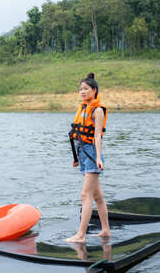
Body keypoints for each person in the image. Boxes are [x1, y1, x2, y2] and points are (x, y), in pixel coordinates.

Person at [65, 72, 111, 243]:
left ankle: (81, 235)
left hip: (92, 154)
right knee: (98, 197)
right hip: (83, 153)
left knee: (85, 195)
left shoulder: (97, 110)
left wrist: (98, 158)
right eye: (80, 89)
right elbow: (77, 135)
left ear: (94, 90)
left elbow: (97, 136)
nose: (82, 92)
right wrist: (76, 158)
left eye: (86, 89)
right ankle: (106, 230)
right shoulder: (83, 107)